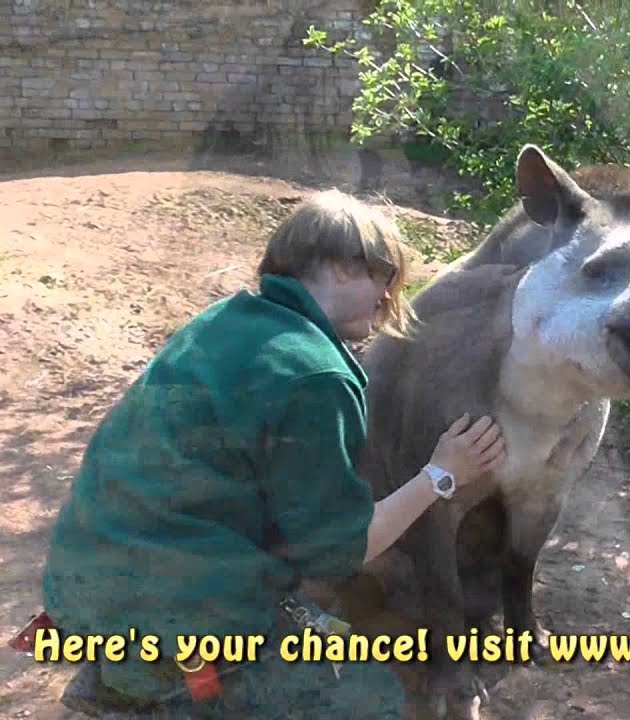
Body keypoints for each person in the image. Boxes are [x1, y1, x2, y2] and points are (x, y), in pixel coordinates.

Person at [40, 189, 506, 718]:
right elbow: (339, 551)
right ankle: (156, 692)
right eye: (385, 280)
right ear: (339, 264)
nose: (388, 300)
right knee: (374, 697)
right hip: (173, 614)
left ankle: (120, 678)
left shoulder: (224, 319)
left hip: (83, 579)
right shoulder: (315, 373)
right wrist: (443, 474)